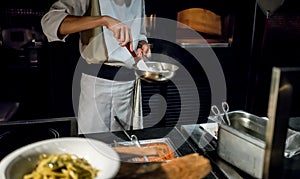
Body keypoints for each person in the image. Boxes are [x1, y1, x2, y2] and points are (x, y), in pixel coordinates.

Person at [41, 0, 151, 134]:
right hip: (98, 85)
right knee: (93, 146)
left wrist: (142, 43)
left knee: (124, 145)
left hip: (128, 86)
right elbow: (50, 23)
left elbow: (139, 32)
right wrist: (103, 20)